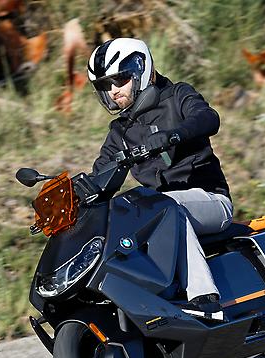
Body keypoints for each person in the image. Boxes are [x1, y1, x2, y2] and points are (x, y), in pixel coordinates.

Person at [88, 37, 233, 319]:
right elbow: (100, 174)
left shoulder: (178, 95)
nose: (114, 91)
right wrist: (75, 192)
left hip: (210, 200)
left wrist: (173, 135)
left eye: (119, 80)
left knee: (166, 206)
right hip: (161, 213)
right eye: (106, 85)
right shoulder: (120, 131)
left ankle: (205, 300)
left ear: (140, 71)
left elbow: (208, 118)